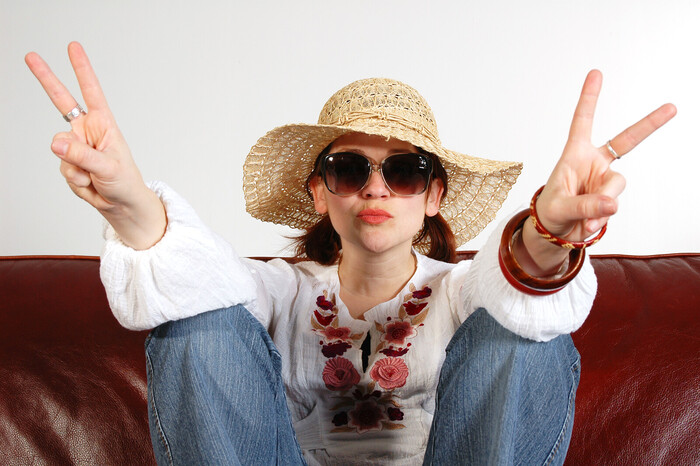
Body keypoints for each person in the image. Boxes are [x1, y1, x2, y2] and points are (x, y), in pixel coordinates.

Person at [26, 42, 675, 465]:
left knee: (520, 333)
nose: (375, 187)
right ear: (318, 193)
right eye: (348, 168)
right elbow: (207, 282)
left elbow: (511, 288)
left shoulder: (462, 289)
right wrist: (133, 208)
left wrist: (547, 232)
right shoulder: (281, 290)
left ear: (433, 195)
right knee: (201, 323)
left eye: (404, 169)